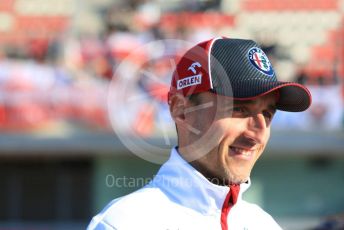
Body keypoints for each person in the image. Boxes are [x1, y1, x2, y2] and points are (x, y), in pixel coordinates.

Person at [87, 37, 312, 230]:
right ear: (181, 110)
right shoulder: (125, 224)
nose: (258, 133)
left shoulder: (263, 225)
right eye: (239, 109)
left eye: (268, 114)